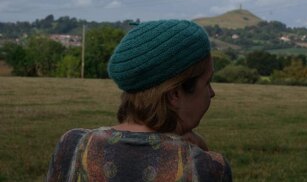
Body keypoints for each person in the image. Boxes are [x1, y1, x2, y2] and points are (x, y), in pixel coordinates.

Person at [46, 19, 232, 181]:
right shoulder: (207, 167)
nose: (212, 92)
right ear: (174, 95)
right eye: (207, 82)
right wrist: (203, 153)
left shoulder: (73, 147)